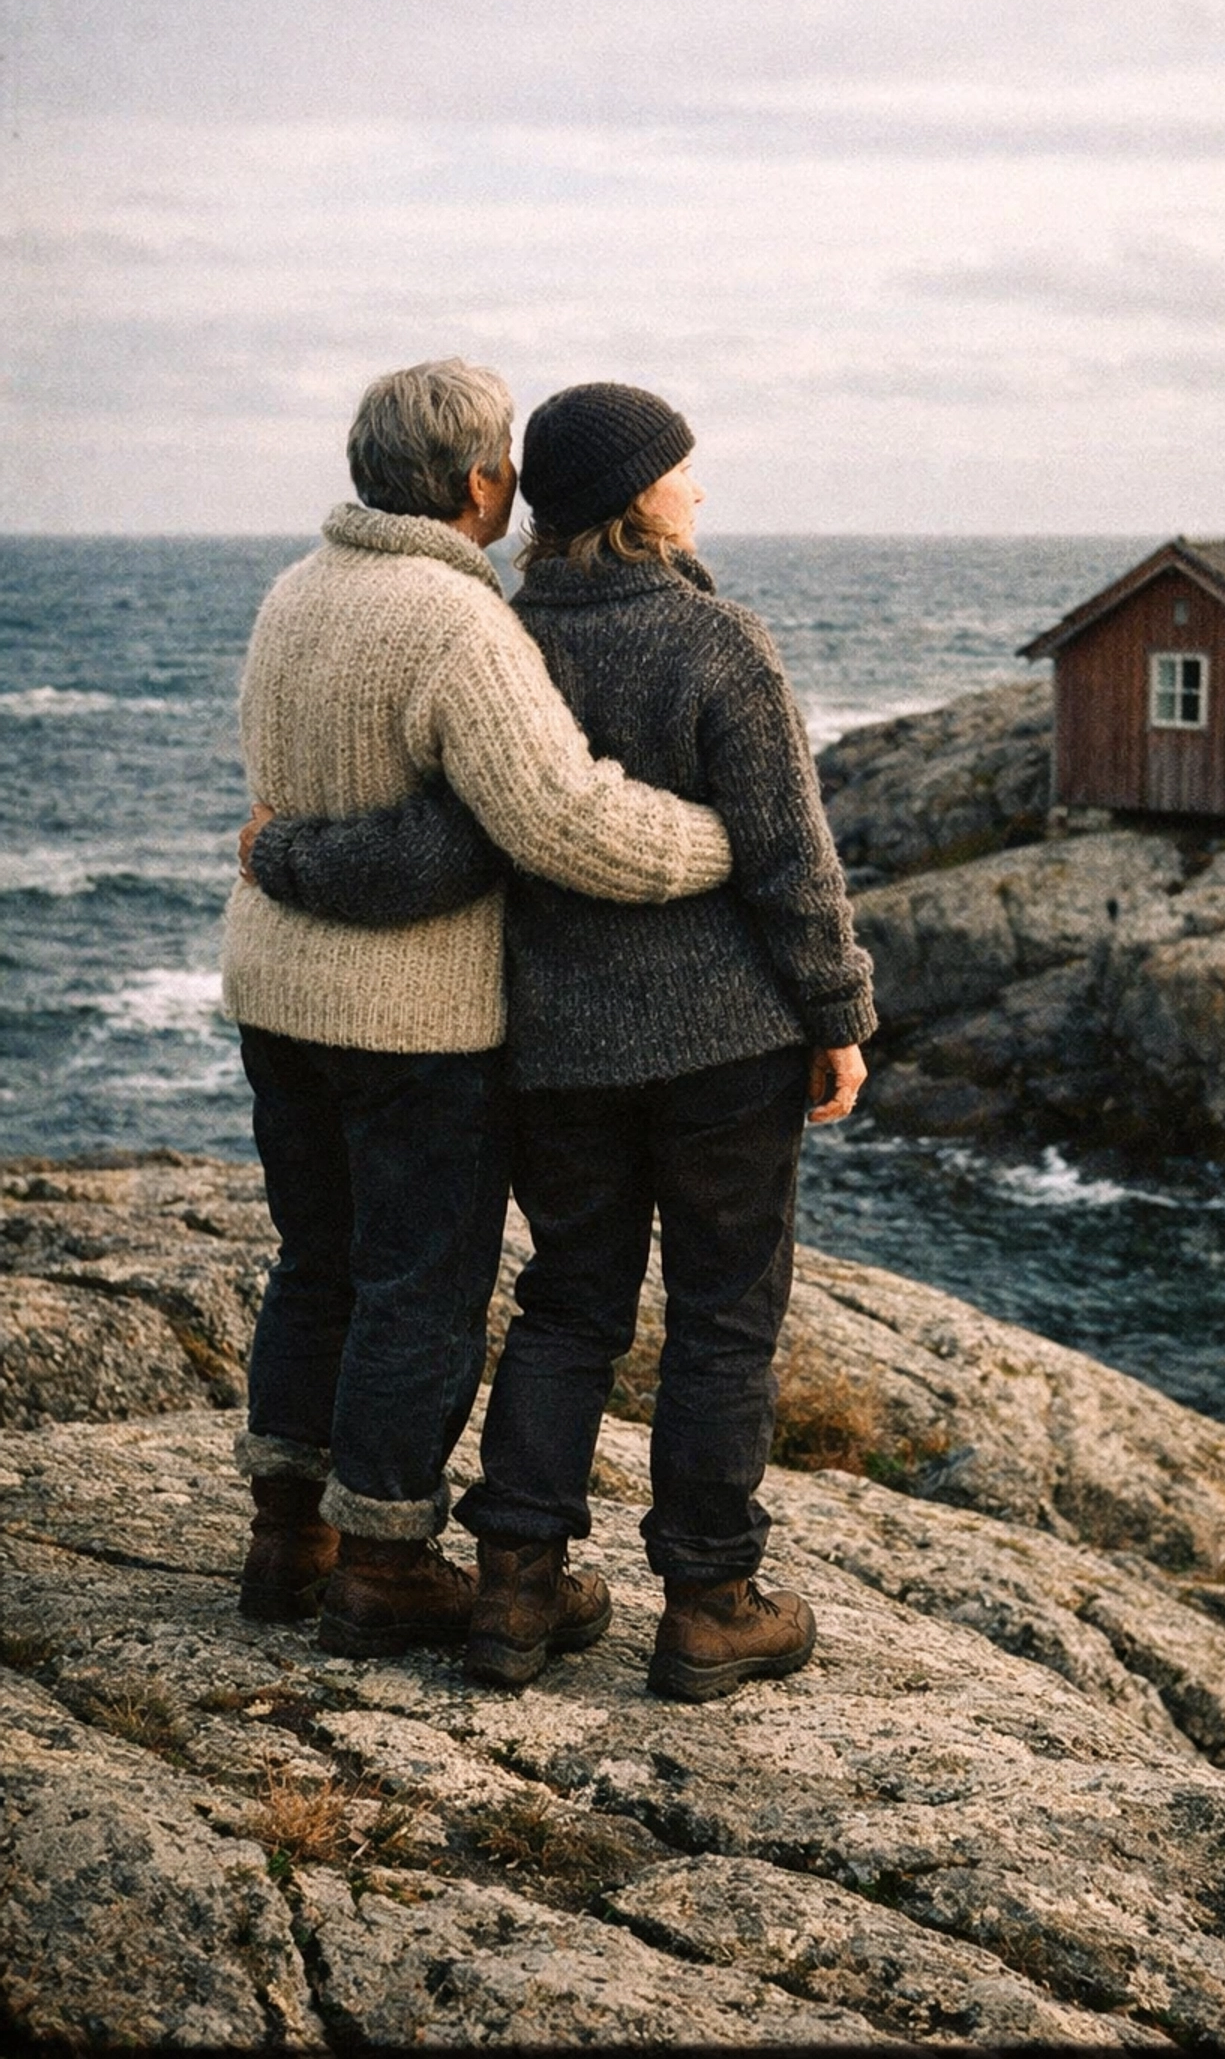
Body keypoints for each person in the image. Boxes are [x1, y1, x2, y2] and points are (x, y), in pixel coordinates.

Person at [246, 381, 876, 1701]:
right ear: (643, 496)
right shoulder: (708, 639)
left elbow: (462, 833)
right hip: (716, 1047)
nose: (701, 490)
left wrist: (280, 853)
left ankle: (517, 1590)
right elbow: (774, 856)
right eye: (687, 471)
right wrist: (838, 1014)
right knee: (720, 1318)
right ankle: (710, 1599)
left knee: (566, 1304)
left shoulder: (492, 624)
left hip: (552, 1053)